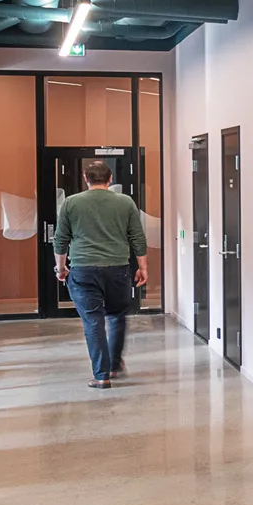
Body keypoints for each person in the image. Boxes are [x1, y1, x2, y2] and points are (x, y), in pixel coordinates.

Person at [54, 159, 148, 389]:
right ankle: (114, 365)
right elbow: (137, 237)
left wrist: (61, 267)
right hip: (118, 269)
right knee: (116, 316)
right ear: (110, 179)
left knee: (93, 321)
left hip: (83, 270)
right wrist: (143, 267)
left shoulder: (71, 203)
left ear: (86, 179)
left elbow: (61, 239)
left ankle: (101, 375)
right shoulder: (125, 202)